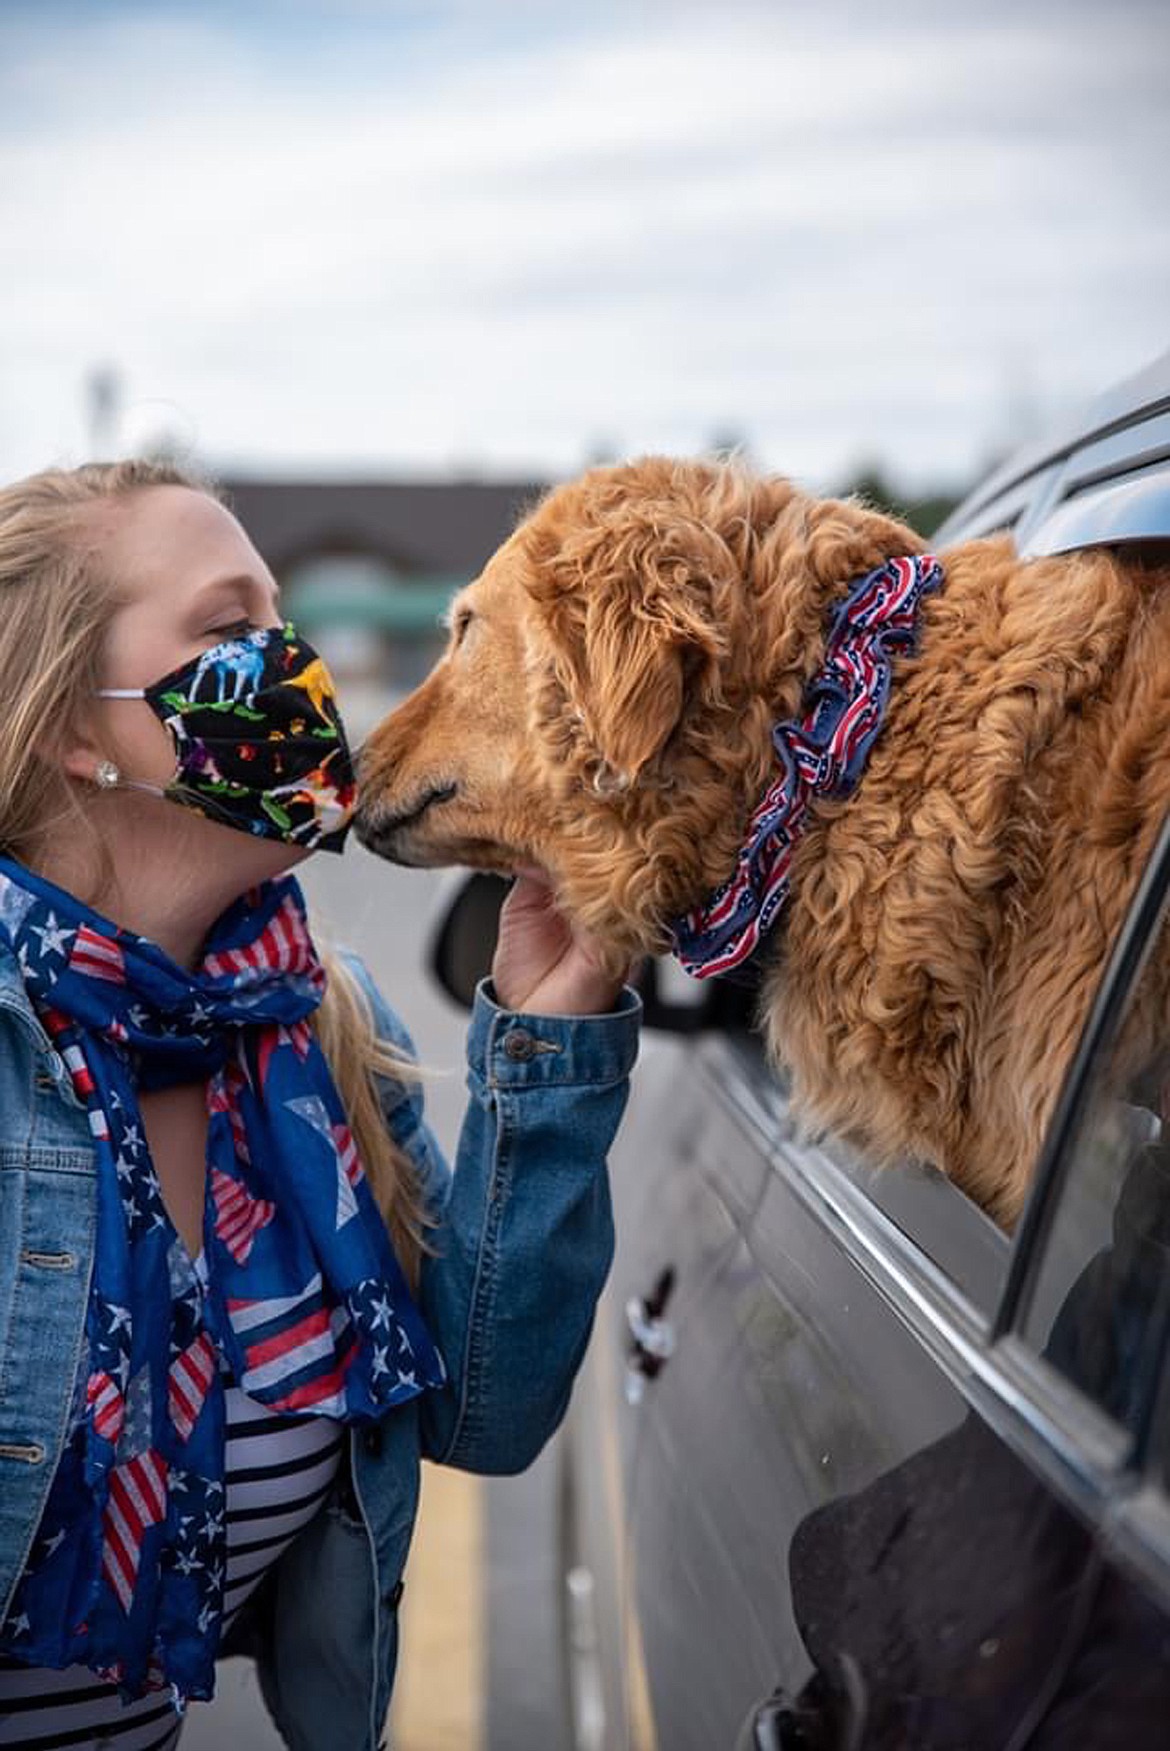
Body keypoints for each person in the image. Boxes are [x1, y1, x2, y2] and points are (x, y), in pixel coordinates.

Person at [0, 460, 640, 1751]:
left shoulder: (313, 1028)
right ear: (80, 724)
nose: (290, 665)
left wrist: (548, 1032)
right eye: (233, 630)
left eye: (283, 623)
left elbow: (479, 1409)